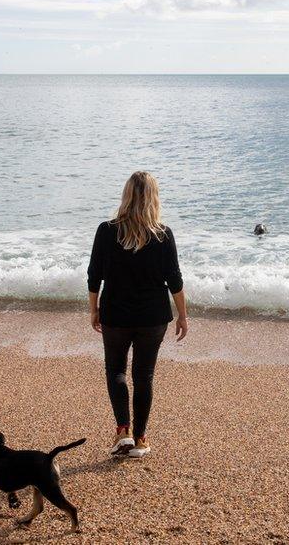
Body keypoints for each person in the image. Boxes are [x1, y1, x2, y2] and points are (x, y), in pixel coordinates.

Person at [87, 171, 188, 459]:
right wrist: (182, 315)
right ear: (153, 197)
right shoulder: (163, 234)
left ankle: (123, 431)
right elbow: (175, 280)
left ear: (127, 195)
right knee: (144, 375)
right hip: (153, 316)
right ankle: (141, 440)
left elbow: (94, 276)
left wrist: (94, 309)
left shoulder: (106, 231)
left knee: (116, 371)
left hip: (115, 314)